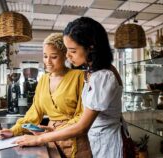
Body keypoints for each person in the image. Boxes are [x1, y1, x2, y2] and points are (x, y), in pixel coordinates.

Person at [15, 17, 124, 158]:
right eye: (67, 50)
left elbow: (82, 127)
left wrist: (38, 139)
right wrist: (51, 129)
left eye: (72, 50)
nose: (67, 55)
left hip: (108, 145)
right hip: (97, 141)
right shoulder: (94, 72)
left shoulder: (104, 76)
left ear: (91, 47)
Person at [0, 33, 92, 158]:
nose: (48, 62)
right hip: (50, 142)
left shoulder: (79, 76)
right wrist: (13, 131)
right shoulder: (44, 80)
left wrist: (55, 132)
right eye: (45, 56)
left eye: (54, 57)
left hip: (74, 141)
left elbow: (82, 115)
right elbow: (35, 111)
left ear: (65, 55)